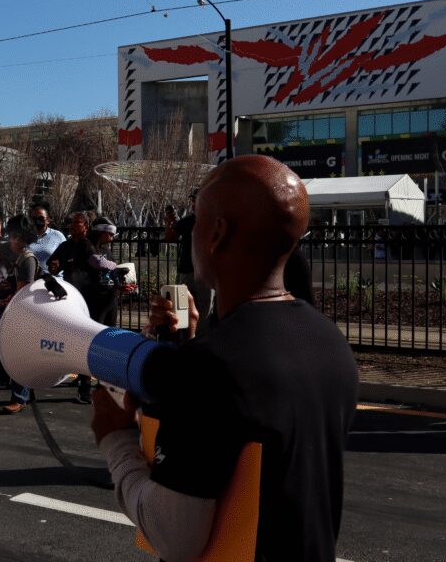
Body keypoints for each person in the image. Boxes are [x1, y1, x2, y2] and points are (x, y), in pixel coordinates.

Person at [91, 156, 358, 562]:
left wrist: (116, 438)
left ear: (217, 233)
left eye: (196, 221)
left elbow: (174, 536)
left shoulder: (211, 366)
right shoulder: (330, 342)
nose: (191, 234)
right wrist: (196, 344)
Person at [48, 212, 118, 404]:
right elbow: (98, 263)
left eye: (77, 223)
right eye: (108, 234)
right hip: (87, 301)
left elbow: (108, 272)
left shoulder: (100, 248)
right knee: (87, 343)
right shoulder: (82, 246)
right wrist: (54, 267)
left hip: (107, 302)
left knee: (105, 343)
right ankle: (84, 386)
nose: (111, 238)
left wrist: (121, 280)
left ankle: (101, 384)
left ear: (87, 226)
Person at [0, 214, 37, 414]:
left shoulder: (27, 259)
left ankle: (20, 398)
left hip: (18, 313)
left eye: (19, 236)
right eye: (13, 235)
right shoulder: (0, 248)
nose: (15, 240)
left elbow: (22, 295)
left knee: (18, 356)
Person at [164, 189, 212, 333]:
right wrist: (169, 221)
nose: (193, 203)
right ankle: (184, 341)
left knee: (204, 312)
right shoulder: (187, 221)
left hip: (206, 274)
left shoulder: (213, 220)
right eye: (192, 200)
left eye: (196, 200)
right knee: (181, 312)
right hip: (186, 271)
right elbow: (169, 237)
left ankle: (201, 342)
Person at [26, 201, 66, 274]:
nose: (37, 221)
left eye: (41, 218)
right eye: (34, 218)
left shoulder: (57, 236)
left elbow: (66, 257)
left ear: (47, 220)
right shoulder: (26, 237)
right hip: (32, 281)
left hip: (52, 280)